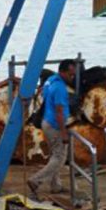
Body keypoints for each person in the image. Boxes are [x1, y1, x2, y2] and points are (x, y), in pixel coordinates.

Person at [29, 59, 76, 198]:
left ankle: (56, 185)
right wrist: (63, 133)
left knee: (54, 155)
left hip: (46, 122)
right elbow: (59, 112)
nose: (72, 78)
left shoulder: (50, 80)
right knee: (60, 158)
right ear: (62, 72)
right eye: (70, 74)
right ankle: (35, 180)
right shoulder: (60, 88)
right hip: (55, 125)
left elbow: (43, 97)